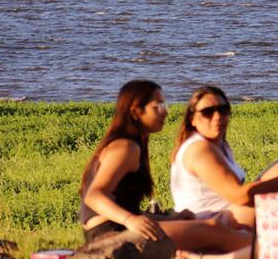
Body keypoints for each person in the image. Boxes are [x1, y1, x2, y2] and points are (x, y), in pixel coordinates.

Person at [79, 80, 249, 252]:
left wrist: (171, 218)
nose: (166, 111)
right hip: (111, 235)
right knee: (213, 230)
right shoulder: (126, 147)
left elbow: (127, 206)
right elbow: (94, 196)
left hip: (117, 227)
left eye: (164, 104)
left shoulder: (132, 144)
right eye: (157, 106)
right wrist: (129, 219)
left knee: (206, 226)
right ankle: (265, 247)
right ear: (136, 111)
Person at [169, 85, 278, 228]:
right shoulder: (199, 149)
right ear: (192, 119)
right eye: (208, 112)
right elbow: (239, 196)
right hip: (207, 222)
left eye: (223, 110)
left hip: (227, 212)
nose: (217, 117)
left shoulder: (218, 143)